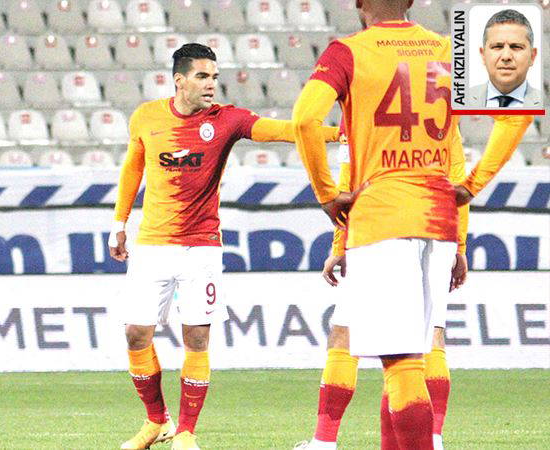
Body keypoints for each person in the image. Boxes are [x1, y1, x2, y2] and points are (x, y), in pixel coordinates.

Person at [291, 0, 532, 448]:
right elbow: (515, 110)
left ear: (359, 3)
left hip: (382, 217)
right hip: (439, 220)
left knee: (400, 364)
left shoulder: (347, 52)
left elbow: (305, 120)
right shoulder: (449, 50)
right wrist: (472, 185)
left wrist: (326, 194)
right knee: (416, 354)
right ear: (411, 1)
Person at [108, 43, 338, 450]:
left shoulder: (226, 120)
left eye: (214, 77)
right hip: (153, 244)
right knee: (135, 333)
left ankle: (185, 432)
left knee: (196, 339)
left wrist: (340, 133)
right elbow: (132, 169)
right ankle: (156, 420)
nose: (211, 84)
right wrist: (118, 223)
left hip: (202, 247)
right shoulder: (146, 117)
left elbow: (283, 131)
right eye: (202, 76)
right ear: (179, 80)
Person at [294, 121, 469, 450]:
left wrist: (340, 245)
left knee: (346, 334)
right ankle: (433, 439)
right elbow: (458, 175)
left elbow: (349, 177)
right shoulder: (440, 99)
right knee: (428, 337)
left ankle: (324, 442)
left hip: (382, 226)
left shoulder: (362, 104)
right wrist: (458, 245)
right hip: (437, 226)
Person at [467, 8, 541, 108]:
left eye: (516, 47)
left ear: (532, 56)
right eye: (497, 46)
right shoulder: (459, 100)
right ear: (483, 55)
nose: (506, 56)